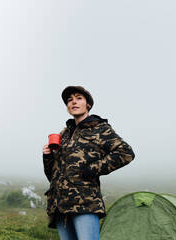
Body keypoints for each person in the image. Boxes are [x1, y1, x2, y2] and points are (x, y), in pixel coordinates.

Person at [42, 86, 135, 240]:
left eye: (79, 98)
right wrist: (48, 157)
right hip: (59, 206)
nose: (73, 102)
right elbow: (52, 175)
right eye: (69, 100)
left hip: (85, 202)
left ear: (88, 104)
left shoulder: (100, 128)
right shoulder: (63, 134)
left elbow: (126, 153)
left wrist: (92, 169)